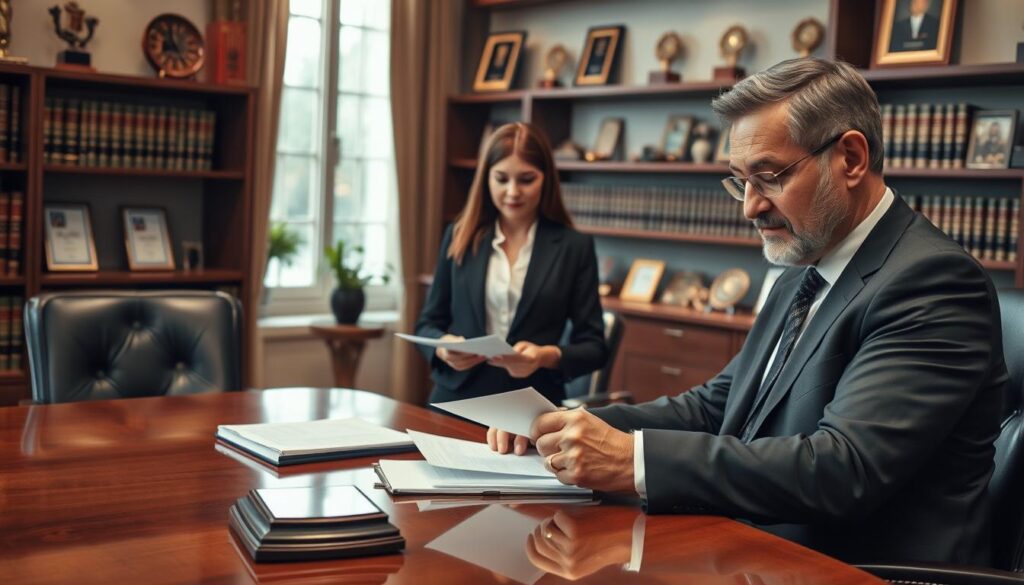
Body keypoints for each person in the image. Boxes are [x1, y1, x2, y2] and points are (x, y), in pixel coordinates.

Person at [489, 58, 1006, 566]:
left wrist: (632, 460)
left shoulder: (932, 281)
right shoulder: (799, 277)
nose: (750, 207)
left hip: (857, 570)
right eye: (740, 181)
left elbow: (843, 469)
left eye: (769, 177)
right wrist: (566, 425)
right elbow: (717, 407)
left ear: (850, 158)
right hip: (763, 554)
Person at [415, 122, 608, 410]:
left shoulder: (574, 247)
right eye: (501, 179)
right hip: (456, 399)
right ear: (486, 179)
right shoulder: (460, 236)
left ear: (546, 179)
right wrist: (443, 347)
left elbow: (594, 348)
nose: (513, 191)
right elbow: (427, 324)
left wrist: (545, 356)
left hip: (531, 404)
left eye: (526, 179)